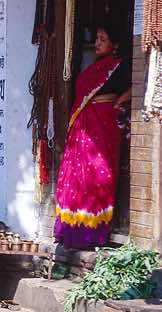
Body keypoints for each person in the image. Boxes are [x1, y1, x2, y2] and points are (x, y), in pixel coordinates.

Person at [55, 24, 132, 249]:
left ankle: (93, 234)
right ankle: (72, 232)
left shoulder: (121, 66)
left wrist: (119, 101)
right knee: (78, 177)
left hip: (104, 126)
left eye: (102, 39)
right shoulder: (95, 68)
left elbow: (137, 86)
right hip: (84, 127)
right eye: (97, 38)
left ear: (115, 44)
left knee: (100, 176)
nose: (97, 43)